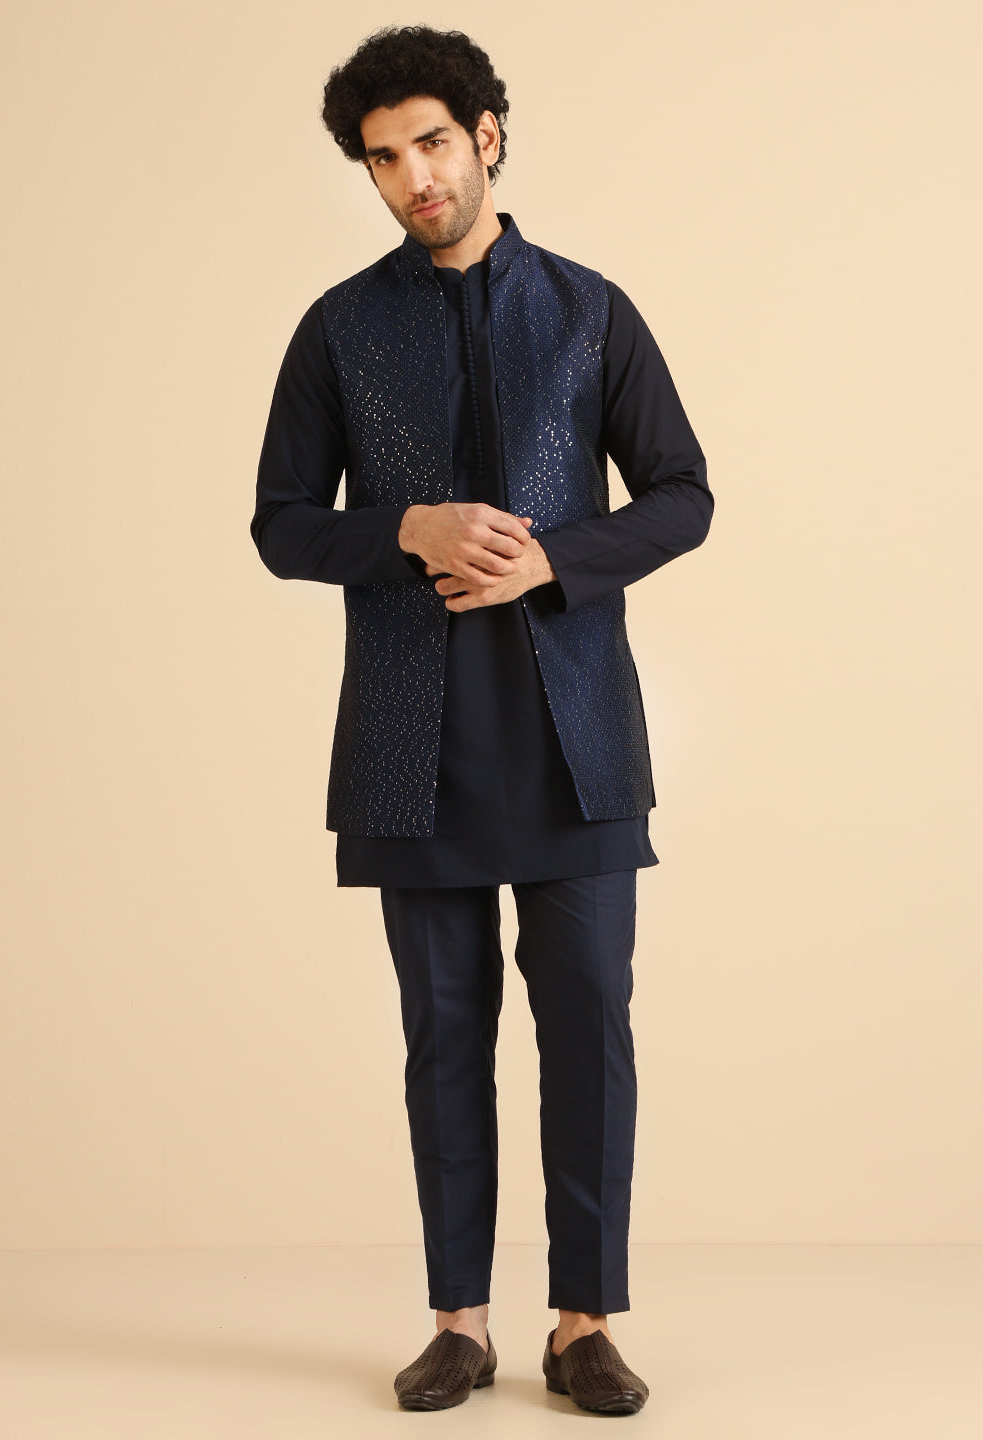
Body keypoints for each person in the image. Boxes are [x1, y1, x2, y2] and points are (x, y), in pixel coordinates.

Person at [250, 23, 713, 1415]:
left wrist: (553, 557)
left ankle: (584, 1323)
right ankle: (459, 1321)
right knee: (442, 1037)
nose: (415, 178)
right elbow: (280, 525)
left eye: (434, 144)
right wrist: (405, 528)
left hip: (578, 745)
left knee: (589, 1031)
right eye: (385, 158)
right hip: (414, 749)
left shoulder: (589, 311)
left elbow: (683, 495)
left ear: (488, 135)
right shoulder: (340, 328)